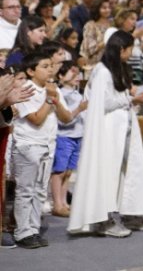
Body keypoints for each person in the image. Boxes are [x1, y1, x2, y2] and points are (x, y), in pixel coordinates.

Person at [69, 30, 143, 236]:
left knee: (128, 170)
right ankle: (103, 219)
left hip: (122, 126)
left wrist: (130, 100)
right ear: (121, 49)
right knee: (107, 172)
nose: (132, 52)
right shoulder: (102, 71)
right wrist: (132, 100)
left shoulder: (119, 68)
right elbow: (102, 102)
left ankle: (130, 212)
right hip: (107, 130)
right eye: (130, 48)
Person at [11, 48, 71, 248]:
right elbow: (35, 119)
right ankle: (22, 232)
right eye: (44, 67)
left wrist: (55, 99)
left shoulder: (53, 88)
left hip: (48, 144)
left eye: (51, 66)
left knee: (39, 191)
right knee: (26, 190)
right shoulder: (24, 90)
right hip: (28, 144)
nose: (50, 70)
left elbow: (67, 117)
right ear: (30, 71)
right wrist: (48, 99)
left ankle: (34, 229)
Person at [49, 59, 86, 217]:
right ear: (62, 76)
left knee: (69, 172)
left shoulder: (77, 93)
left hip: (77, 136)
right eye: (72, 72)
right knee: (59, 172)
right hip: (64, 136)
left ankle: (64, 202)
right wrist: (79, 109)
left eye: (78, 72)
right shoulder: (61, 93)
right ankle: (57, 203)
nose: (77, 75)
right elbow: (63, 118)